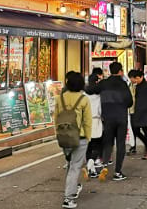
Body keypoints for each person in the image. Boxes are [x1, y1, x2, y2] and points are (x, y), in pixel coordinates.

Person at [58, 71, 92, 209]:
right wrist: (88, 137)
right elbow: (88, 121)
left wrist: (58, 135)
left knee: (71, 163)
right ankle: (69, 198)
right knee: (75, 167)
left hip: (64, 136)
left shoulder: (60, 98)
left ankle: (74, 187)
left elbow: (56, 118)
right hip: (80, 136)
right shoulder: (84, 99)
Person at [95, 62, 133, 181]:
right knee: (121, 144)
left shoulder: (103, 83)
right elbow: (130, 102)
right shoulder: (123, 84)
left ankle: (105, 165)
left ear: (110, 70)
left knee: (108, 142)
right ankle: (117, 172)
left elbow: (91, 90)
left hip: (107, 118)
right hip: (121, 117)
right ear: (120, 71)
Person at [128, 69, 147, 159]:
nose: (134, 81)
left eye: (135, 78)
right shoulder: (137, 86)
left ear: (141, 77)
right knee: (136, 131)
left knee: (146, 132)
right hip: (137, 113)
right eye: (132, 79)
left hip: (145, 113)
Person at [84, 73, 103, 178]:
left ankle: (92, 170)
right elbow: (101, 110)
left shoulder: (84, 94)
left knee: (88, 146)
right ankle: (91, 164)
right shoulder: (99, 95)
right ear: (97, 82)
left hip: (86, 121)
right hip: (96, 120)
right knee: (97, 145)